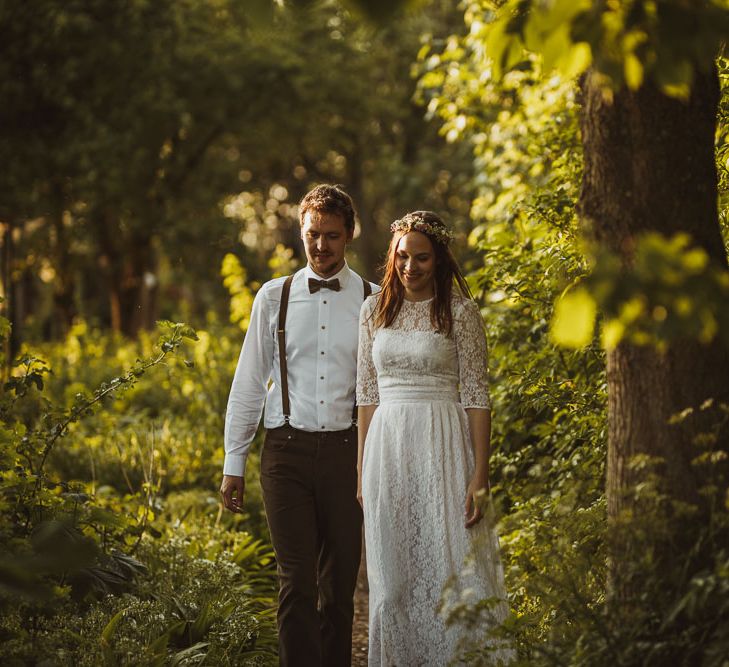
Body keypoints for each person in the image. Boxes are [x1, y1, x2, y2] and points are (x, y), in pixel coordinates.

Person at [220, 184, 378, 667]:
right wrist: (234, 461)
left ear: (349, 234)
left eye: (332, 235)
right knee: (296, 584)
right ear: (300, 232)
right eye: (313, 234)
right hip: (285, 452)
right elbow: (249, 380)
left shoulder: (374, 301)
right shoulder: (274, 297)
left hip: (350, 455)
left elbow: (384, 390)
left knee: (338, 589)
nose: (321, 246)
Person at [356, 211, 511, 665]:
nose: (410, 267)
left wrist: (479, 474)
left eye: (421, 258)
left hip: (441, 443)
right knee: (392, 579)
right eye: (402, 257)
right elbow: (366, 394)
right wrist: (361, 469)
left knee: (447, 563)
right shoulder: (373, 310)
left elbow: (478, 397)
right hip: (387, 447)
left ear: (439, 259)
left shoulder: (460, 313)